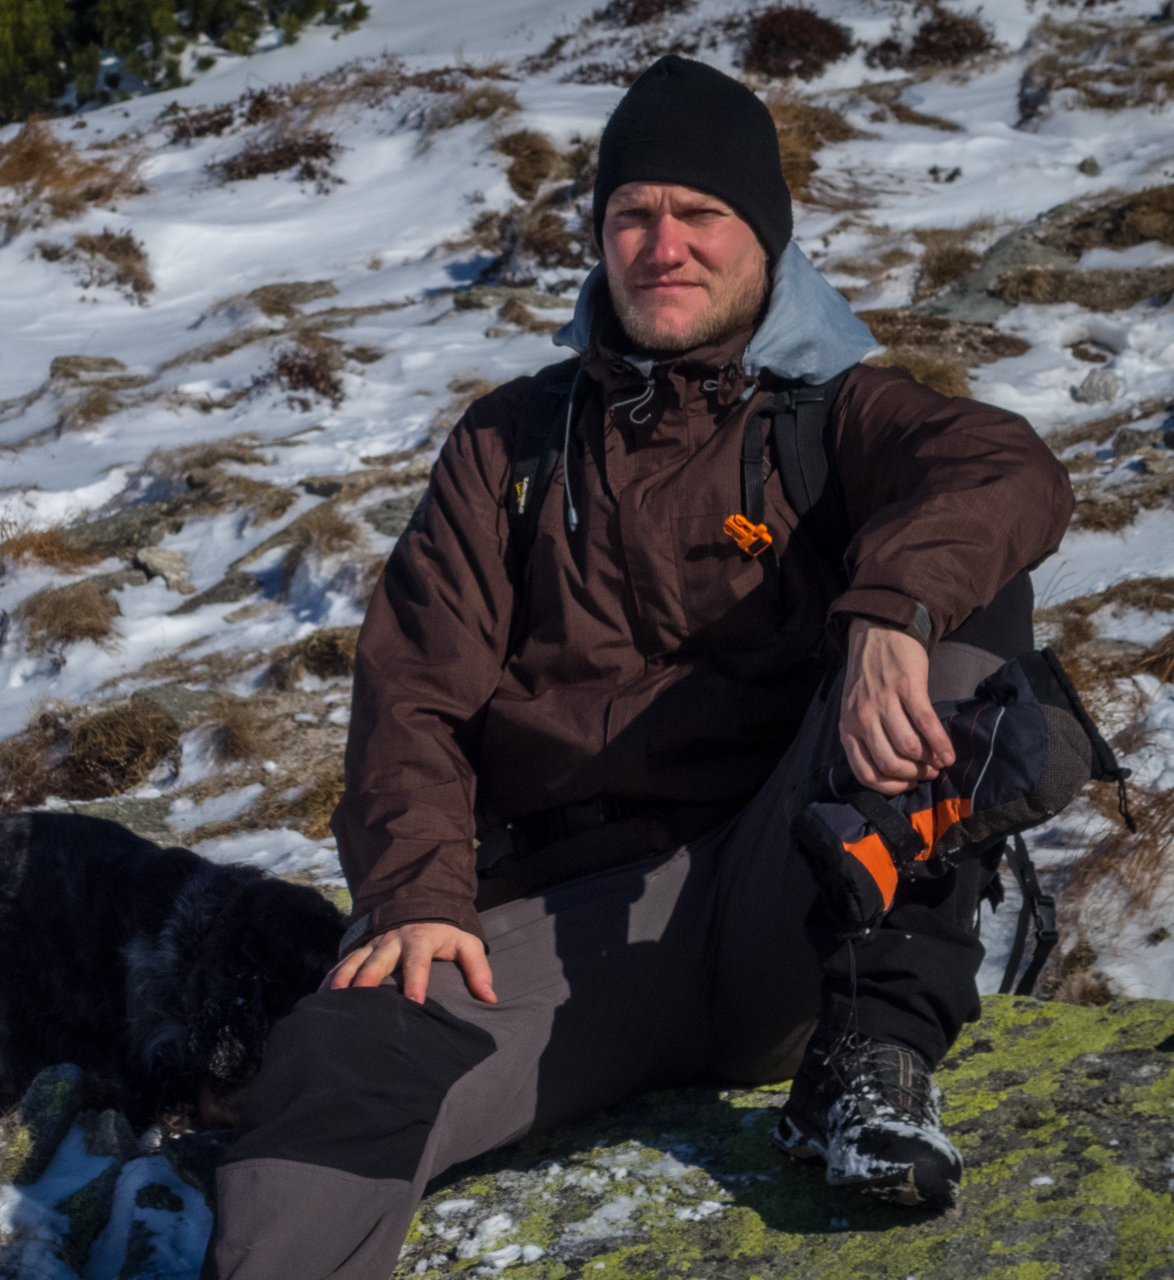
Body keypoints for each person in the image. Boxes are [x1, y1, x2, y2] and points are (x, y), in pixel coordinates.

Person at [206, 55, 1074, 1280]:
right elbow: (413, 692)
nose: (662, 244)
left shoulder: (840, 414)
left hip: (793, 903)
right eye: (632, 216)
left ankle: (873, 1057)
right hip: (565, 928)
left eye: (699, 214)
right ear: (601, 239)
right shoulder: (510, 440)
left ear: (764, 238)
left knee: (971, 590)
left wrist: (892, 608)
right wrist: (415, 891)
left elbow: (1009, 471)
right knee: (338, 1056)